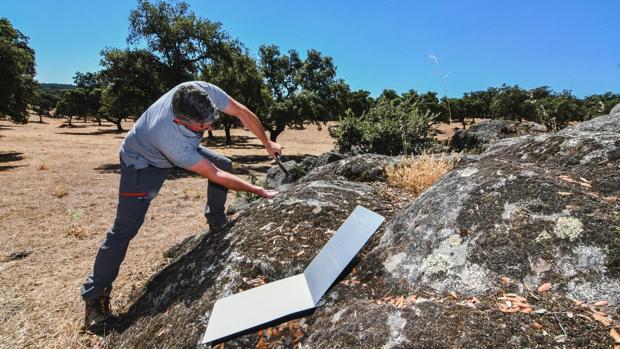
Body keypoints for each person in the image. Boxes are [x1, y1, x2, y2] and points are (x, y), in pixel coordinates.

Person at [80, 81, 280, 332]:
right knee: (124, 229)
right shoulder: (169, 136)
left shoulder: (198, 90)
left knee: (225, 162)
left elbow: (240, 111)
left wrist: (267, 143)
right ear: (179, 121)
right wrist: (257, 190)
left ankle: (217, 222)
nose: (208, 129)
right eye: (202, 127)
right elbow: (214, 174)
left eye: (211, 122)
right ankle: (94, 296)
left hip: (177, 149)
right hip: (142, 162)